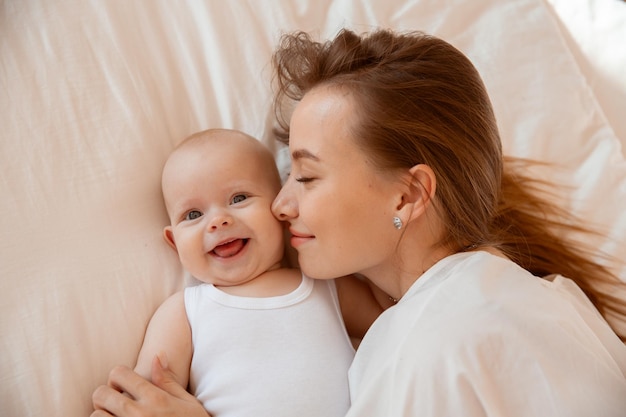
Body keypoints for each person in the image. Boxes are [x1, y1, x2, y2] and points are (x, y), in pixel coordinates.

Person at [92, 29, 626, 417]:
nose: (281, 205)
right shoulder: (530, 302)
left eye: (306, 176)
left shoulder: (439, 348)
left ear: (409, 193)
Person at [91, 128, 357, 417]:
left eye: (239, 198)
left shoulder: (325, 284)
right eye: (193, 215)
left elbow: (395, 312)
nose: (218, 221)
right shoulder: (184, 312)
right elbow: (145, 394)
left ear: (280, 210)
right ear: (174, 242)